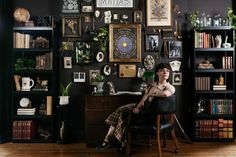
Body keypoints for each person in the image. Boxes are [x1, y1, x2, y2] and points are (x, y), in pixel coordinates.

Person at [96, 63, 175, 152]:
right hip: (142, 108)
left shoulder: (170, 87)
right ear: (157, 73)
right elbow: (143, 100)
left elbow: (165, 94)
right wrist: (138, 107)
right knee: (120, 111)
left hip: (150, 113)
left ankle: (111, 142)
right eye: (162, 70)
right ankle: (111, 141)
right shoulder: (152, 85)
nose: (165, 72)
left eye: (167, 71)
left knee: (123, 115)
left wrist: (149, 94)